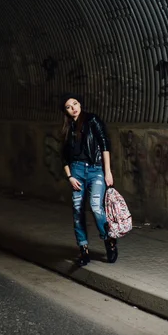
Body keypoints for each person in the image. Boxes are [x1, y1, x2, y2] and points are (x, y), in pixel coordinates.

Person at [60, 93, 118, 265]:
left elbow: (104, 145)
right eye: (69, 107)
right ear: (66, 111)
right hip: (76, 171)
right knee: (78, 211)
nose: (73, 108)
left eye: (75, 103)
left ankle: (109, 240)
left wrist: (107, 171)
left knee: (96, 206)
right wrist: (69, 176)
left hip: (96, 170)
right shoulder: (67, 128)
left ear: (80, 103)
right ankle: (83, 249)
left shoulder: (92, 120)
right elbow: (63, 157)